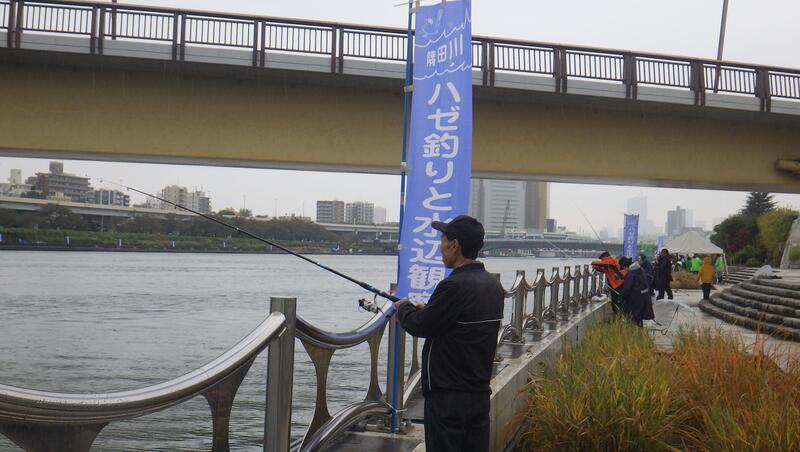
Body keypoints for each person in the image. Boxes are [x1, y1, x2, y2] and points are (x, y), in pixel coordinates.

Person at [394, 215, 504, 452]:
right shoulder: (492, 286)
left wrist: (403, 307)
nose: (440, 247)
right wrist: (432, 311)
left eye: (442, 240)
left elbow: (419, 325)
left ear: (455, 245)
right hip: (478, 395)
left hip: (448, 400)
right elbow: (459, 322)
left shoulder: (453, 286)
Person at [618, 256, 655, 327]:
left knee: (633, 318)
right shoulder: (640, 269)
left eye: (623, 268)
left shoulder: (631, 273)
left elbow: (627, 288)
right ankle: (640, 334)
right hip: (644, 297)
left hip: (635, 299)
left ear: (625, 266)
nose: (624, 270)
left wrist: (621, 296)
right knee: (639, 318)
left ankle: (634, 335)